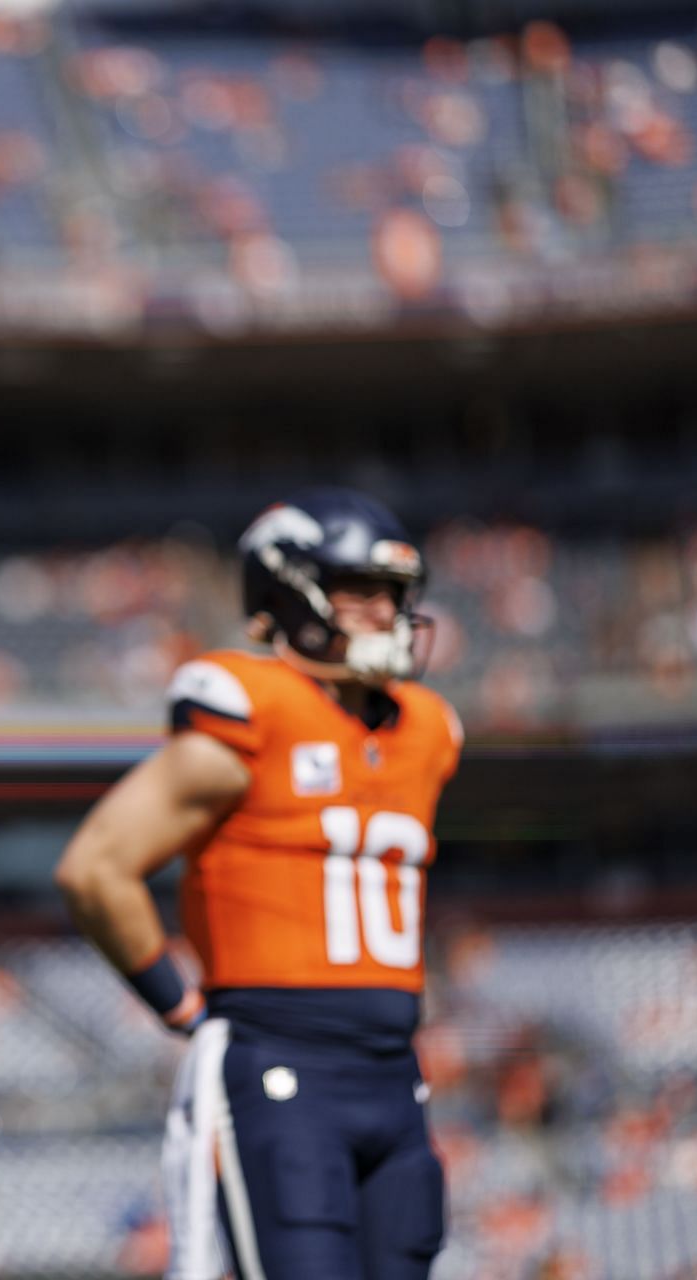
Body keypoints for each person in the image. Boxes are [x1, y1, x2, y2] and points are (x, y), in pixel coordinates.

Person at [55, 489, 461, 1280]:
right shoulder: (249, 711)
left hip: (392, 1071)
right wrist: (181, 1006)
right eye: (359, 590)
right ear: (287, 593)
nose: (385, 613)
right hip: (283, 1064)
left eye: (393, 594)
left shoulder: (426, 731)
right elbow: (96, 868)